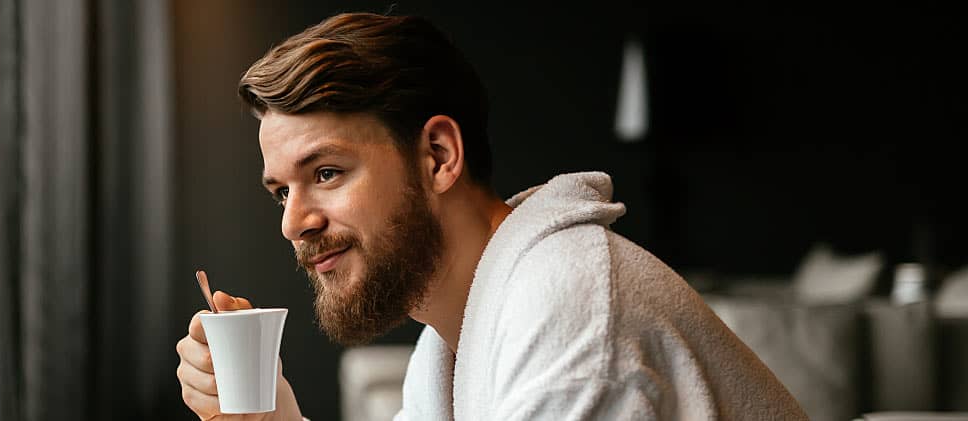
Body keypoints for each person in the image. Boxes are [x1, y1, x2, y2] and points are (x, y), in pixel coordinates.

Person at [175, 12, 807, 420]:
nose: (293, 222)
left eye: (326, 174)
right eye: (281, 192)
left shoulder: (568, 312)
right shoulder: (453, 340)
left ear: (439, 156)